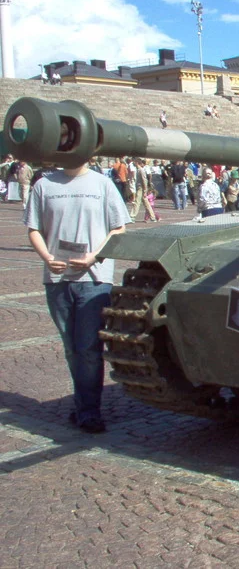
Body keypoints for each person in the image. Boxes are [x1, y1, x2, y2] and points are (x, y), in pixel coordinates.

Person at [24, 156, 131, 433]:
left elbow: (119, 229)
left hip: (94, 278)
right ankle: (83, 404)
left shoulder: (103, 184)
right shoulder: (44, 185)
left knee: (88, 347)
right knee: (72, 348)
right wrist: (47, 257)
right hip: (57, 277)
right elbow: (33, 228)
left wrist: (95, 257)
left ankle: (89, 411)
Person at [130, 158, 160, 222]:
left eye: (134, 163)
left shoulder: (141, 170)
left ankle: (132, 216)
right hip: (140, 188)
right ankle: (153, 217)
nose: (133, 164)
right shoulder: (138, 170)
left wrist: (145, 190)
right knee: (146, 203)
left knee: (137, 202)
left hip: (141, 188)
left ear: (137, 163)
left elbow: (144, 180)